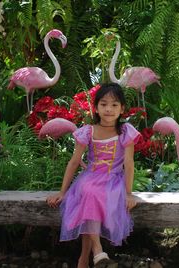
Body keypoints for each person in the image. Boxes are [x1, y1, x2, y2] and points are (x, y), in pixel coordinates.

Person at [47, 83, 140, 268]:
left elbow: (129, 164)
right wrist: (62, 191)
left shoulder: (125, 132)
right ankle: (98, 252)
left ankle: (83, 259)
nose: (109, 109)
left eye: (114, 105)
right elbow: (74, 162)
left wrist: (128, 193)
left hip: (113, 180)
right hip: (89, 177)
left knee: (93, 199)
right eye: (104, 104)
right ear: (96, 108)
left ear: (122, 109)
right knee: (90, 192)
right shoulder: (88, 131)